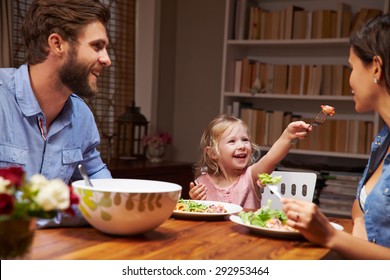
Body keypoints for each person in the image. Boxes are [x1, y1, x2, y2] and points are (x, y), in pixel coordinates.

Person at [282, 14, 390, 259]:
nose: (349, 80)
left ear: (376, 67)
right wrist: (360, 222)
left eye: (351, 68)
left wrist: (330, 236)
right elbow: (360, 206)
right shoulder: (383, 141)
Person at [0, 0, 113, 227]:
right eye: (96, 46)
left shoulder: (82, 116)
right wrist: (74, 212)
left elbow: (105, 199)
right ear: (57, 44)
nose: (107, 59)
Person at [188, 114, 311, 208]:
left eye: (245, 140)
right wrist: (195, 201)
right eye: (232, 141)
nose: (242, 146)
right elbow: (198, 215)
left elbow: (271, 158)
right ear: (213, 153)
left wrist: (288, 136)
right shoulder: (202, 183)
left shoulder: (251, 176)